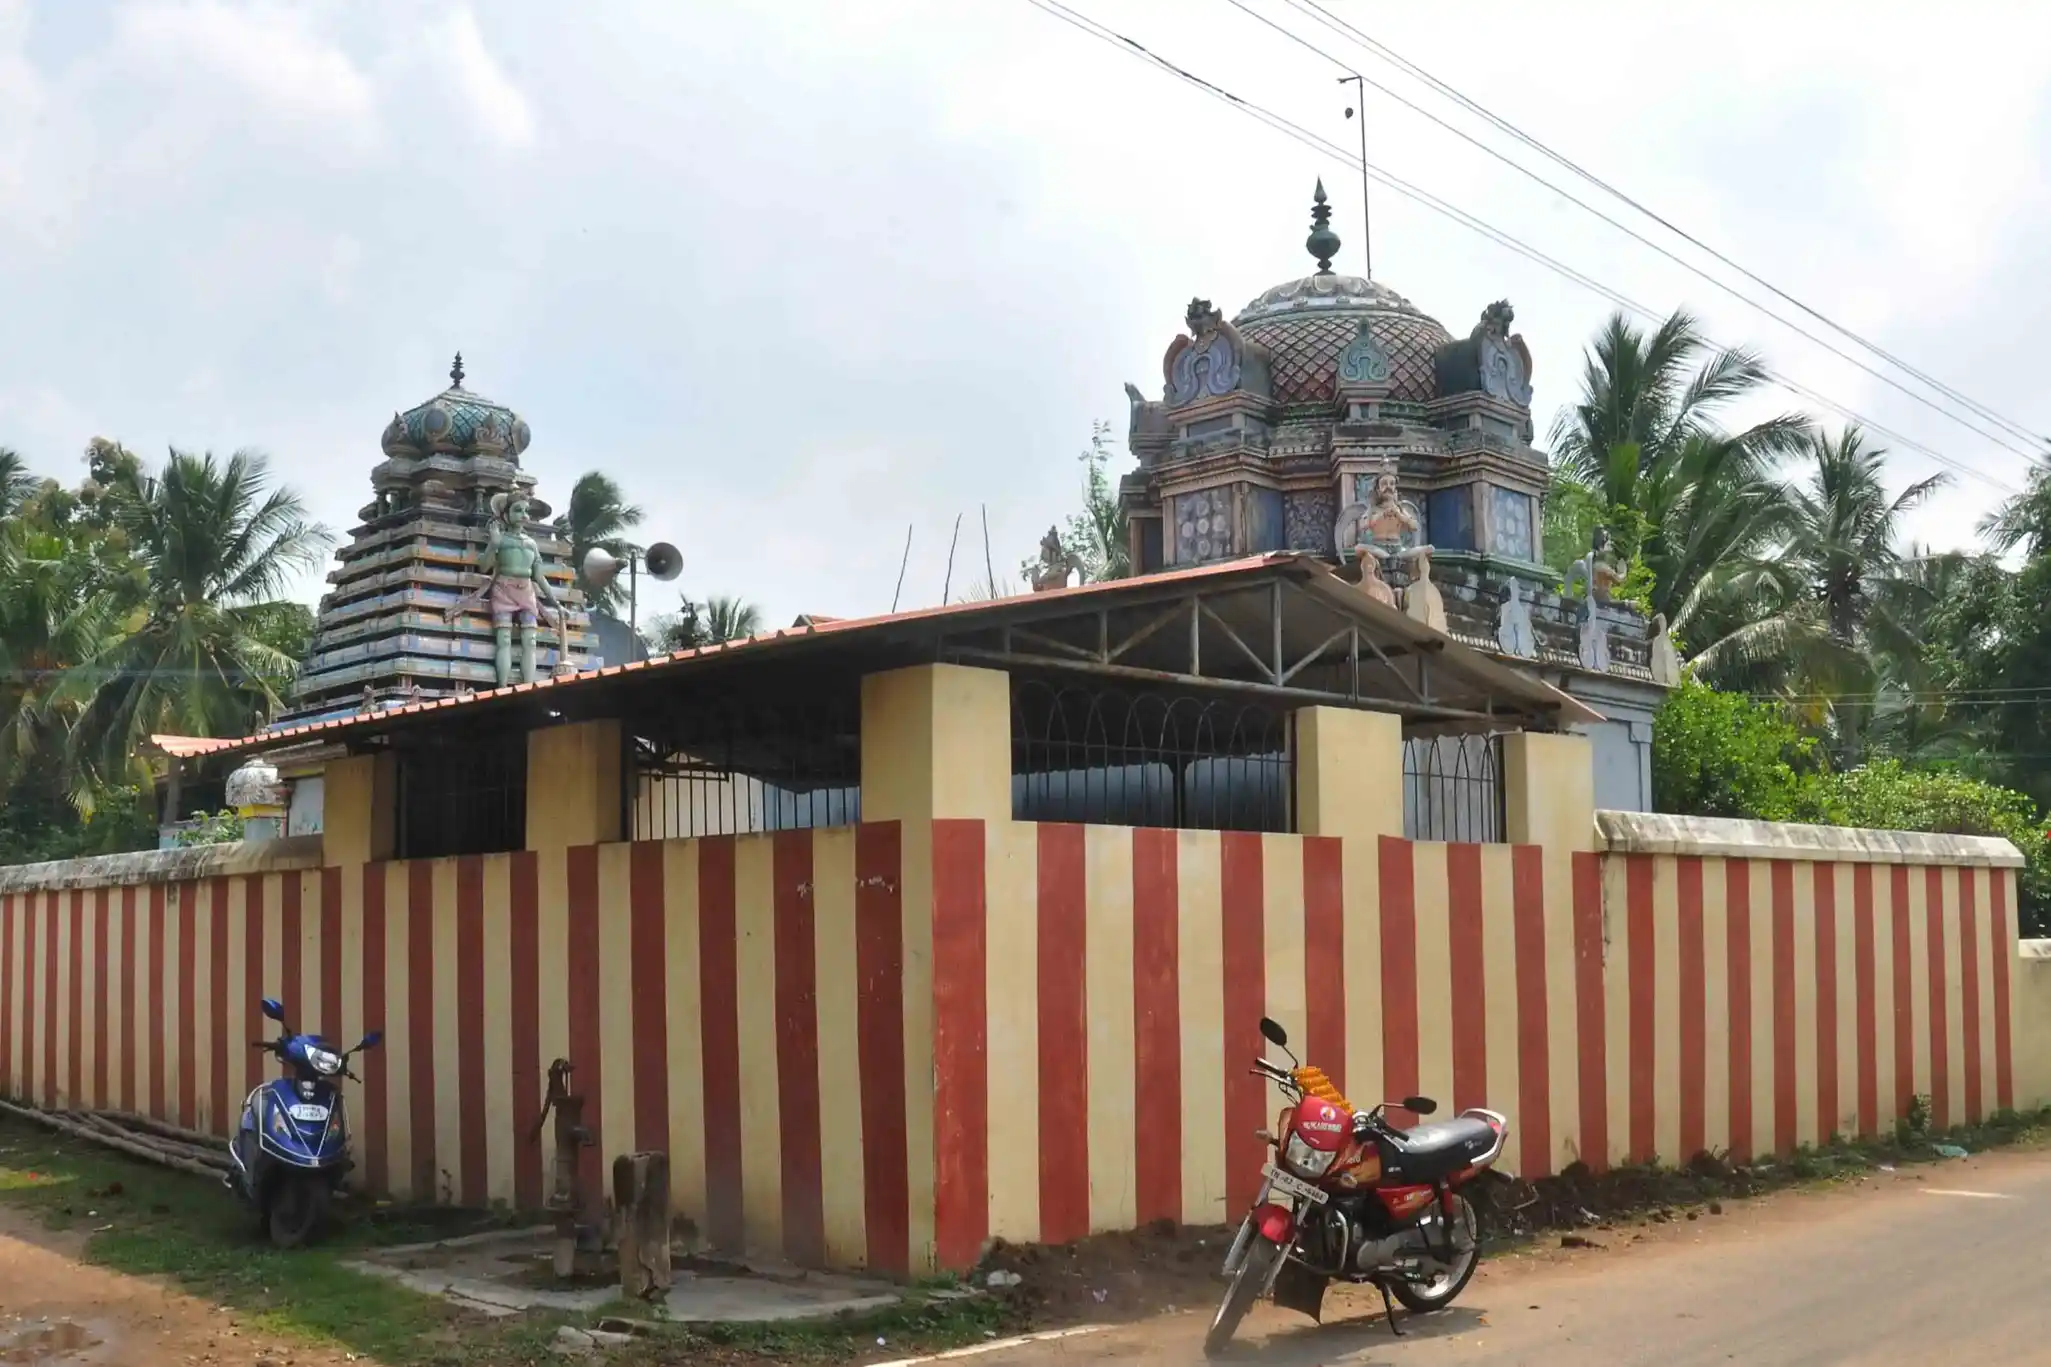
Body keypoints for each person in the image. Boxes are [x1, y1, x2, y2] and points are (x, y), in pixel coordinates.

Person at [445, 493, 565, 686]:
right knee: (505, 639)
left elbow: (539, 576)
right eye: (518, 510)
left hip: (526, 591)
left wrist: (556, 603)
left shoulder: (531, 544)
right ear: (505, 514)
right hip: (503, 588)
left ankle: (528, 686)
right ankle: (502, 686)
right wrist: (493, 544)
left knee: (530, 641)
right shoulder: (501, 540)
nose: (523, 514)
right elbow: (484, 566)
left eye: (526, 511)